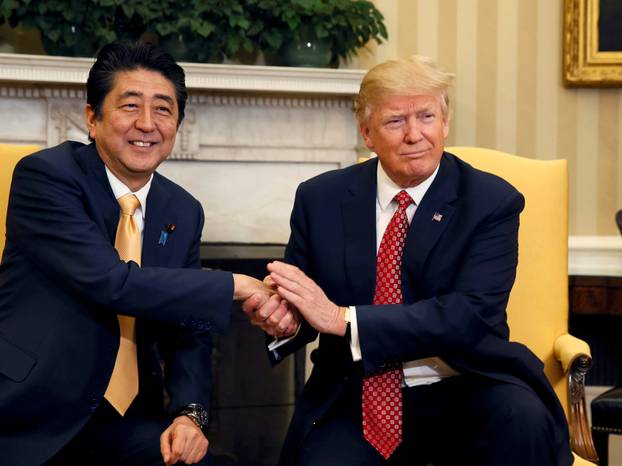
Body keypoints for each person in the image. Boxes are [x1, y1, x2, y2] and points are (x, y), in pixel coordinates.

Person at [247, 56, 573, 466]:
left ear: (446, 123)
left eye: (427, 116)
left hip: (465, 382)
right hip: (356, 389)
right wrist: (285, 320)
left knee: (522, 422)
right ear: (367, 132)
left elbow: (469, 316)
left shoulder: (490, 201)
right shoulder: (321, 199)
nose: (415, 135)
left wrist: (344, 320)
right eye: (396, 121)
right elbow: (303, 301)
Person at [0, 42, 292, 466]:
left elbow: (188, 327)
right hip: (33, 415)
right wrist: (235, 284)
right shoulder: (46, 178)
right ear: (92, 118)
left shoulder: (183, 210)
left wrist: (189, 415)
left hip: (129, 421)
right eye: (129, 105)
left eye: (163, 109)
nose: (146, 124)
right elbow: (113, 283)